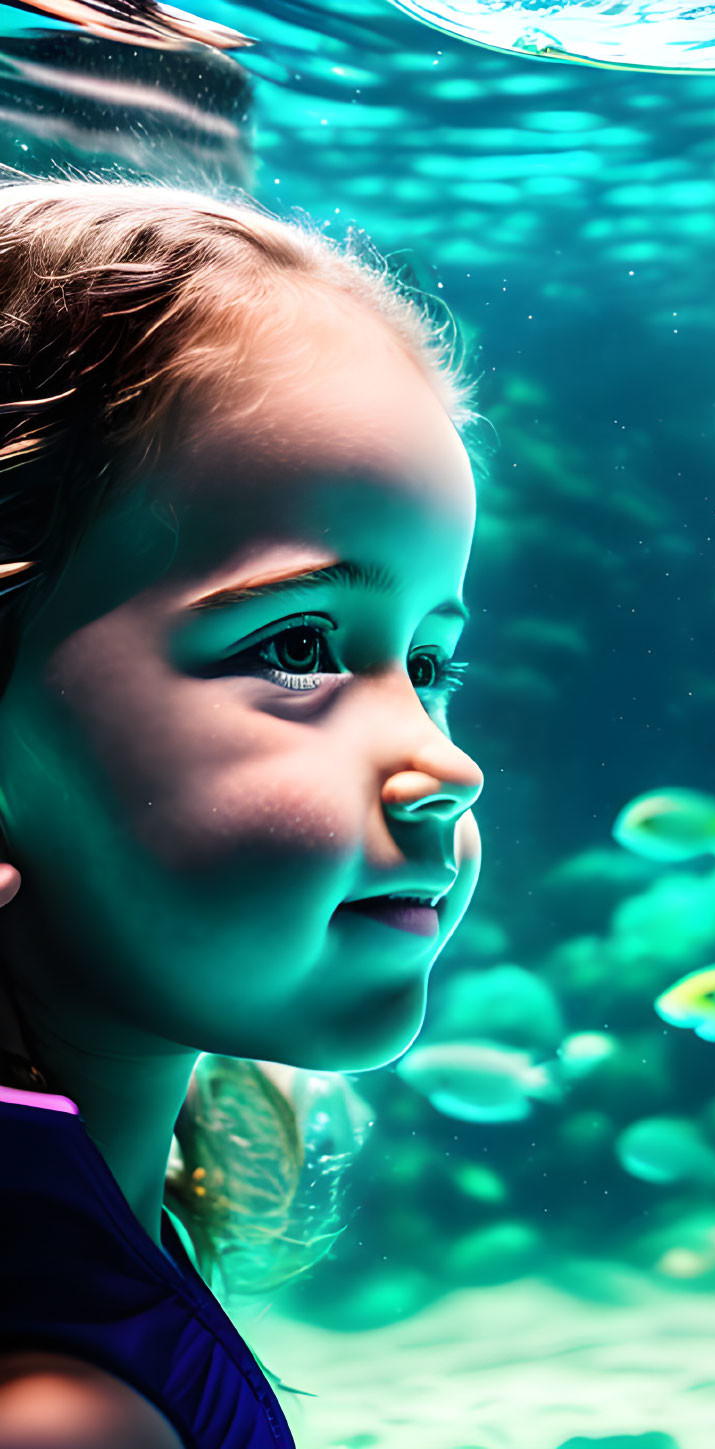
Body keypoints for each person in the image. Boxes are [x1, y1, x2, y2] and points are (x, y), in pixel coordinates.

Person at [0, 176, 485, 1448]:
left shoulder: (101, 1242)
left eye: (432, 665)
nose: (447, 764)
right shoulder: (61, 1409)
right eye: (298, 645)